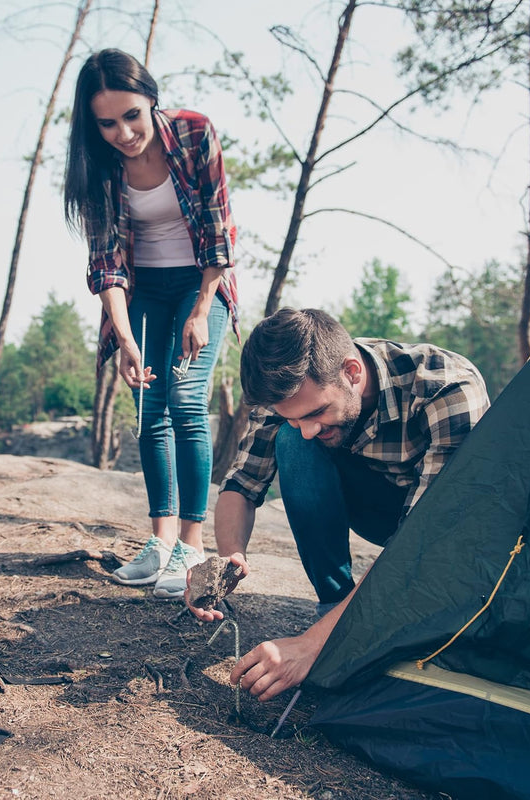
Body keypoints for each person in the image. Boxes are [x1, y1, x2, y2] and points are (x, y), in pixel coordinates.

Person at [187, 307, 490, 699]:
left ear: (351, 372)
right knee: (292, 443)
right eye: (294, 416)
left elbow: (421, 542)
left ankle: (338, 627)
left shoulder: (445, 388)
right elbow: (242, 484)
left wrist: (313, 645)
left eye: (317, 413)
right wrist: (226, 561)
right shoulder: (287, 393)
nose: (309, 427)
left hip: (441, 528)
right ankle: (334, 603)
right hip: (376, 506)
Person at [64, 48, 239, 599]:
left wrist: (201, 308)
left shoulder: (193, 135)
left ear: (150, 100)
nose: (123, 132)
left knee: (187, 400)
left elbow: (218, 230)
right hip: (140, 290)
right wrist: (122, 336)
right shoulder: (98, 165)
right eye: (108, 122)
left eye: (131, 116)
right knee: (149, 406)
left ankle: (192, 544)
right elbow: (107, 263)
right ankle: (160, 541)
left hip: (199, 281)